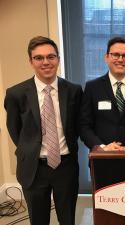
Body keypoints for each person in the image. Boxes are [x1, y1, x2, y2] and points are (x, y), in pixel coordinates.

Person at [4, 36, 83, 225]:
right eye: (39, 58)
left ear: (58, 59)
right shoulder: (16, 94)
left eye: (51, 57)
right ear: (31, 61)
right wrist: (31, 149)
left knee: (68, 219)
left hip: (65, 166)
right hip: (34, 167)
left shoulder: (73, 90)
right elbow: (15, 130)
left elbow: (78, 125)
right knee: (38, 220)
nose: (46, 62)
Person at [80, 37, 125, 151]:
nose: (120, 59)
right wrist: (103, 148)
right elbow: (84, 126)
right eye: (115, 55)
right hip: (101, 160)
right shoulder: (92, 87)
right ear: (106, 57)